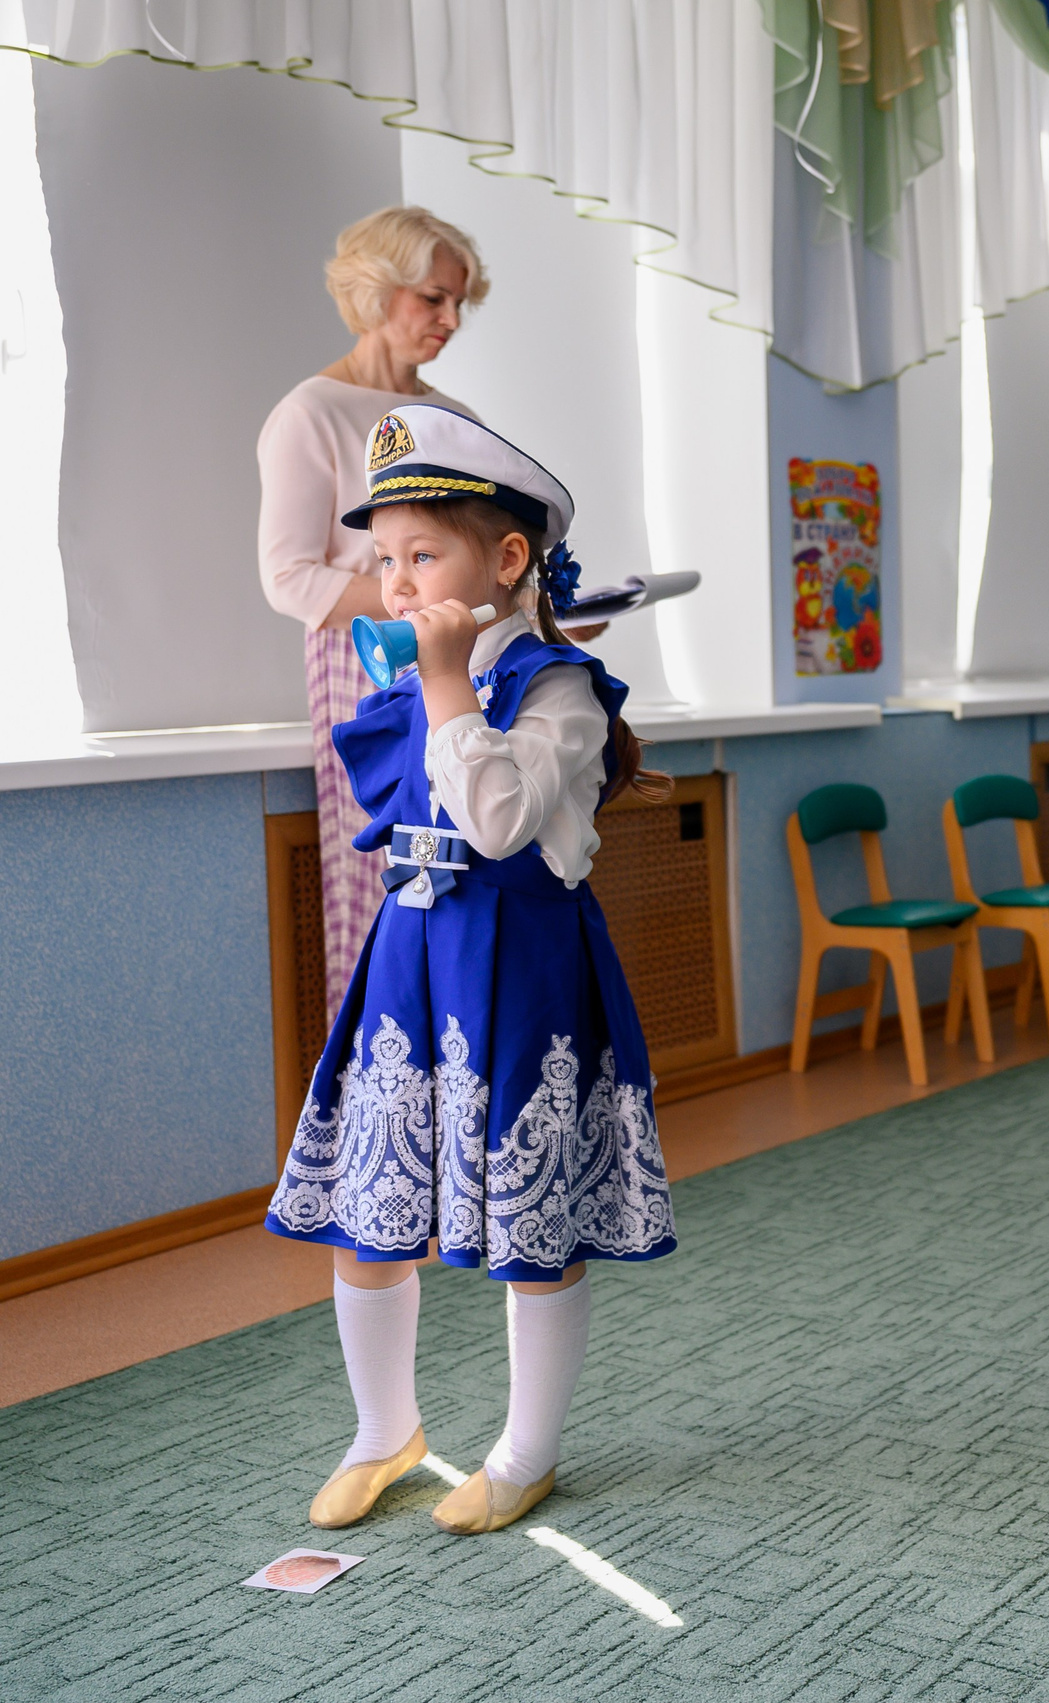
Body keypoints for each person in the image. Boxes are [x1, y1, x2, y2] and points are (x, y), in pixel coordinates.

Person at [264, 406, 677, 1536]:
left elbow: (496, 823)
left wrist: (447, 677)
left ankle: (527, 1448)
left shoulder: (560, 690)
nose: (397, 584)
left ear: (505, 560)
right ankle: (381, 1430)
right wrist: (434, 675)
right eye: (385, 559)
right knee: (371, 1208)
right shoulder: (412, 678)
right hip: (412, 957)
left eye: (423, 555)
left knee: (527, 1225)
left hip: (524, 964)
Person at [259, 207, 490, 1013]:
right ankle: (381, 1097)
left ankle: (465, 1076)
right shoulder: (311, 413)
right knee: (387, 880)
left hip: (468, 663)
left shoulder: (455, 422)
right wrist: (417, 604)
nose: (451, 320)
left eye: (459, 301)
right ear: (378, 290)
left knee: (472, 859)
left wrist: (528, 607)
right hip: (366, 668)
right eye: (433, 298)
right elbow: (290, 577)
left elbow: (484, 551)